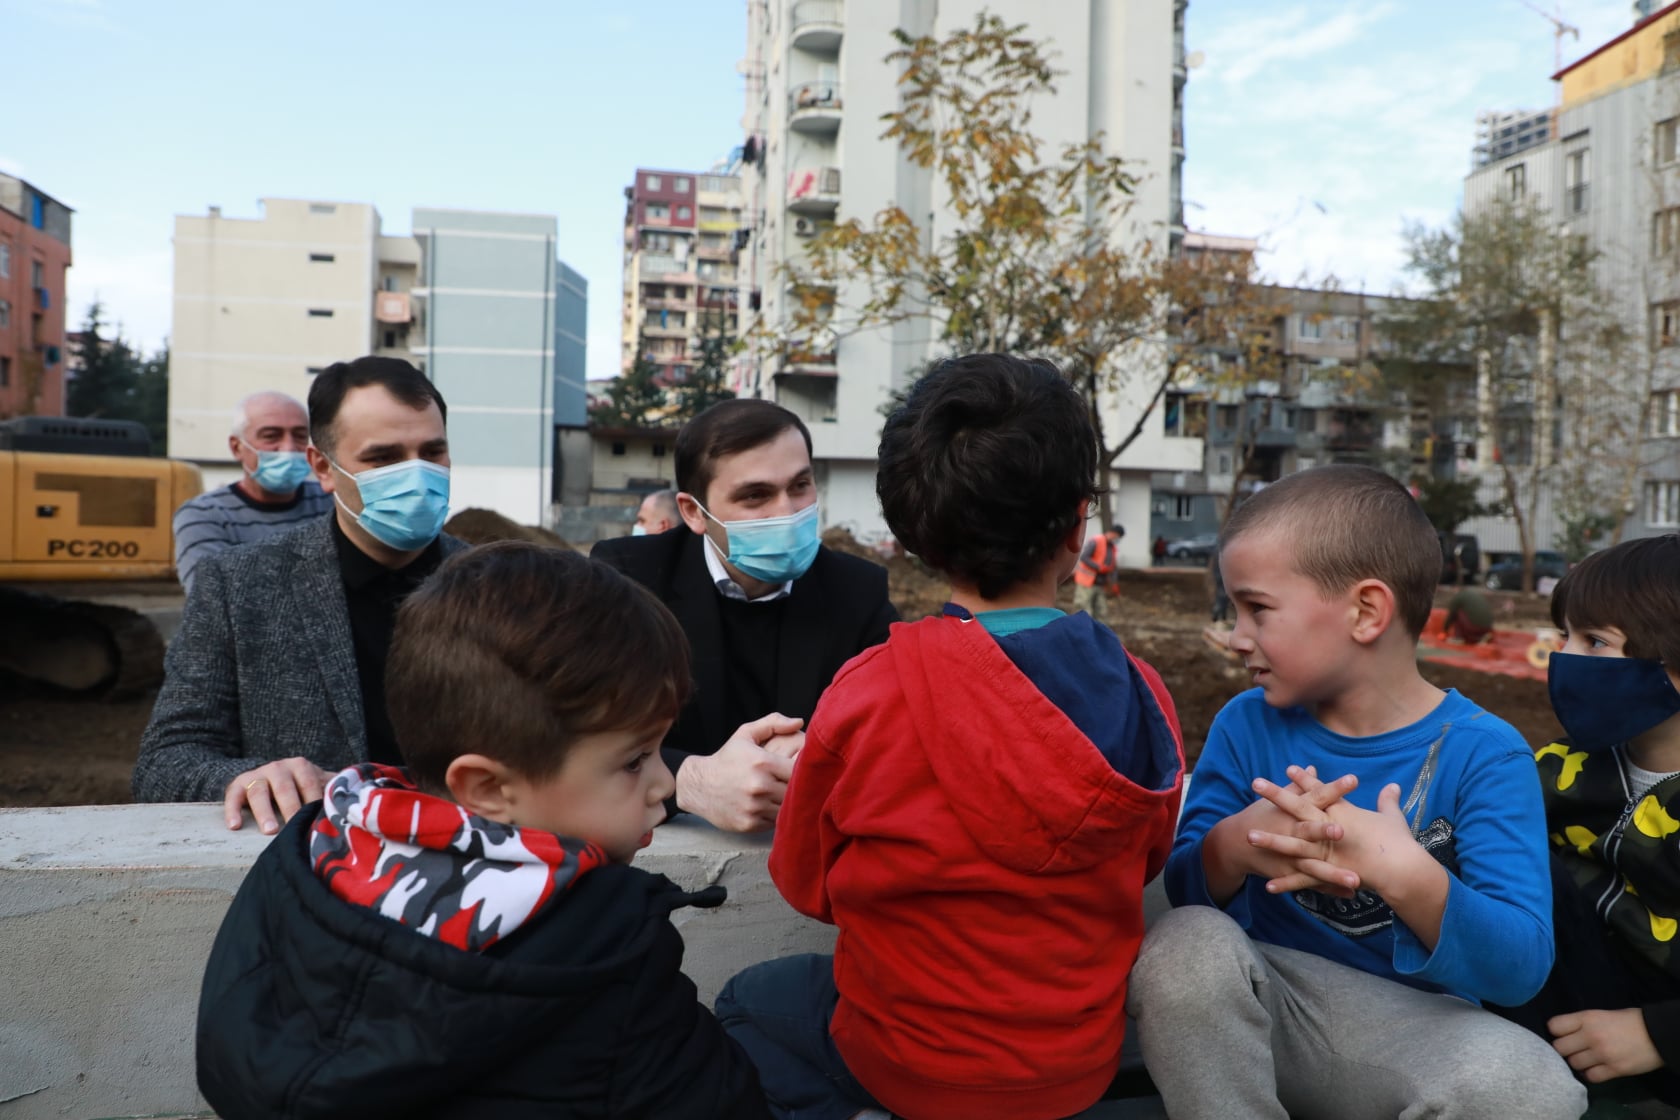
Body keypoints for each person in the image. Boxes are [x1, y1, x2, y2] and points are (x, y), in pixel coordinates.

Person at [715, 354, 1185, 1120]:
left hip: (902, 1066)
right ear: (1078, 524)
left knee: (746, 1001)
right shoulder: (1143, 693)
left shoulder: (867, 693)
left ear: (914, 535)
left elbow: (806, 884)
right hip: (1077, 1069)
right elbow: (1149, 859)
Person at [195, 542, 771, 1119]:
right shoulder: (609, 944)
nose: (663, 782)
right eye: (635, 760)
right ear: (487, 788)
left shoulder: (309, 850)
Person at [1126, 464, 1585, 1119]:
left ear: (1366, 612)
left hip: (1411, 1034)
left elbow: (1518, 971)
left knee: (1532, 1088)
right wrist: (1234, 846)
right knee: (1186, 945)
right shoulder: (1245, 724)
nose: (1236, 636)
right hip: (1265, 1009)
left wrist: (1403, 873)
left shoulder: (1485, 753)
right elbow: (1177, 902)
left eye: (1257, 609)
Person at [133, 357, 466, 835]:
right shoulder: (239, 584)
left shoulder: (506, 588)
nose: (415, 475)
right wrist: (252, 779)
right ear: (323, 468)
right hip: (310, 862)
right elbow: (165, 761)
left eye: (432, 452)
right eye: (383, 458)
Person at [591, 399, 897, 833]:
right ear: (693, 512)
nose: (787, 512)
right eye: (755, 495)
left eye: (800, 485)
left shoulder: (857, 591)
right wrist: (691, 780)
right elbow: (584, 732)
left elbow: (894, 731)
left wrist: (822, 753)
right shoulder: (631, 580)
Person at [1492, 535, 1680, 1106]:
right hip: (1568, 1009)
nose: (1566, 659)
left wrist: (1658, 1034)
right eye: (1564, 636)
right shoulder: (1558, 767)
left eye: (1594, 641)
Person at [172, 391, 334, 593]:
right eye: (271, 436)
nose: (289, 448)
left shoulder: (333, 499)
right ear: (237, 447)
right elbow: (212, 599)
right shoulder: (204, 516)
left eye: (300, 436)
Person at [1072, 525, 1123, 622]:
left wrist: (1114, 583)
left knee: (1101, 612)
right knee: (1084, 610)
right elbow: (1084, 557)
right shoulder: (1096, 541)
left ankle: (1098, 630)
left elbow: (1113, 568)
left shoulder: (1112, 548)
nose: (1117, 540)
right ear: (1113, 533)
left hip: (1100, 584)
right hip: (1086, 582)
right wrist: (1098, 567)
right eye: (1118, 537)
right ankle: (1083, 630)